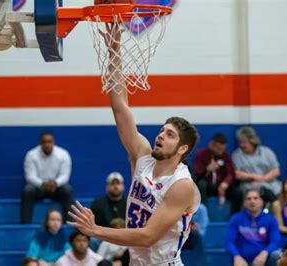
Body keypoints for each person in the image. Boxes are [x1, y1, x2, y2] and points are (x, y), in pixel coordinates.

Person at [66, 23, 200, 266]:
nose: (161, 136)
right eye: (162, 131)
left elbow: (147, 237)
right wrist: (114, 51)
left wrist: (95, 230)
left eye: (170, 135)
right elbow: (120, 108)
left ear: (183, 149)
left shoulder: (182, 185)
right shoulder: (143, 156)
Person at [21, 132, 73, 224]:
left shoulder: (63, 154)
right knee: (27, 190)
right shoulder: (31, 155)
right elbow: (30, 177)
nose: (47, 144)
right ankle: (26, 224)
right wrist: (43, 184)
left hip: (56, 188)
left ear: (54, 142)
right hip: (39, 188)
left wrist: (55, 183)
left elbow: (65, 176)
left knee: (67, 190)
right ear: (40, 143)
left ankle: (68, 224)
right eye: (44, 142)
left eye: (50, 142)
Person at [225, 188, 281, 266]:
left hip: (264, 260)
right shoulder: (235, 219)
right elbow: (229, 242)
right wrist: (236, 256)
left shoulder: (271, 220)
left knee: (277, 254)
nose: (252, 201)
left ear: (261, 202)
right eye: (249, 199)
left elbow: (275, 241)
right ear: (244, 203)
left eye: (255, 198)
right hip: (242, 260)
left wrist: (265, 253)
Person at [232, 126, 281, 196]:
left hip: (270, 182)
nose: (241, 145)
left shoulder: (267, 152)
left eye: (244, 142)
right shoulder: (236, 155)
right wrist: (254, 177)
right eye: (240, 142)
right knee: (264, 193)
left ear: (252, 140)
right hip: (250, 185)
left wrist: (263, 178)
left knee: (282, 191)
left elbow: (276, 171)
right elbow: (237, 174)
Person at [193, 133, 235, 206]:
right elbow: (197, 174)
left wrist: (226, 182)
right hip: (207, 184)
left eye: (222, 149)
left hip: (220, 185)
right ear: (211, 145)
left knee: (237, 191)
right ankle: (203, 210)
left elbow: (230, 173)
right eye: (218, 149)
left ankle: (234, 214)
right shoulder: (201, 154)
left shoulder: (225, 156)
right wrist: (207, 169)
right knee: (201, 185)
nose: (220, 151)